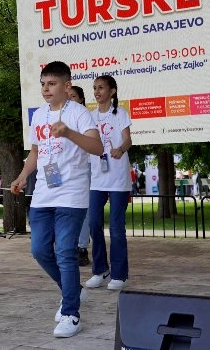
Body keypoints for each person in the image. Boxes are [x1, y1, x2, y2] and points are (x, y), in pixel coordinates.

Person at [11, 61, 103, 338]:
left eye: (51, 84)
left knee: (65, 251)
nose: (45, 89)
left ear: (67, 85)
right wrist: (22, 176)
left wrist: (69, 132)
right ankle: (72, 290)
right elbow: (35, 152)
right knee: (39, 250)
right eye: (43, 84)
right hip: (43, 194)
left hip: (71, 195)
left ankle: (71, 314)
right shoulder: (39, 115)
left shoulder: (79, 113)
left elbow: (97, 147)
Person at [86, 75, 133, 291]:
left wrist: (120, 149)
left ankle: (119, 274)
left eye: (101, 88)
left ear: (112, 91)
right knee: (94, 223)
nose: (97, 92)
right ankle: (100, 270)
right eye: (95, 88)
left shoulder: (120, 113)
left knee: (116, 227)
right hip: (97, 178)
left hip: (118, 179)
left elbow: (128, 139)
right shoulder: (90, 116)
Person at [68, 85, 90, 267]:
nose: (70, 99)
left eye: (73, 96)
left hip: (82, 168)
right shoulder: (51, 116)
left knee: (83, 208)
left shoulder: (84, 116)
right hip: (60, 169)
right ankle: (66, 246)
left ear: (81, 99)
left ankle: (81, 247)